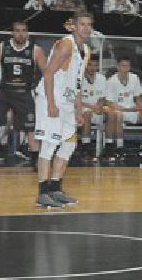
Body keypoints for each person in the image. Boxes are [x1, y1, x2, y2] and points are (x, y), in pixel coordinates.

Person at [32, 12, 95, 208]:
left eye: (89, 25)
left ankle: (56, 188)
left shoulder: (86, 50)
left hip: (67, 101)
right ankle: (43, 192)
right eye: (82, 24)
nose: (86, 28)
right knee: (50, 144)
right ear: (74, 27)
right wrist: (51, 103)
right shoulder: (65, 44)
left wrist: (78, 108)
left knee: (69, 144)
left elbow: (76, 81)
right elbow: (49, 72)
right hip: (52, 98)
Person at [0, 21, 47, 172]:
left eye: (23, 31)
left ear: (28, 33)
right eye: (17, 31)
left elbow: (47, 73)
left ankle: (35, 161)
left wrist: (42, 92)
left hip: (24, 93)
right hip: (4, 92)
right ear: (12, 33)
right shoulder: (1, 47)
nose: (20, 34)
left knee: (31, 128)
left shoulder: (36, 50)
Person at [103, 57, 142, 162]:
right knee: (118, 115)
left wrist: (141, 105)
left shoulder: (134, 78)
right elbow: (108, 102)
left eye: (127, 66)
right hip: (119, 110)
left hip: (132, 110)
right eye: (123, 66)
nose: (126, 68)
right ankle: (119, 147)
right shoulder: (111, 81)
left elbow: (137, 97)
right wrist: (123, 109)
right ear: (118, 67)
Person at [78, 57, 107, 161]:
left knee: (112, 113)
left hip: (97, 109)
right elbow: (76, 99)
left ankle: (109, 148)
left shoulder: (102, 78)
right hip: (80, 110)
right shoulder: (78, 78)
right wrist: (92, 107)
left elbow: (103, 97)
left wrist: (99, 106)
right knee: (87, 113)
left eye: (95, 65)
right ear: (85, 65)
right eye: (90, 65)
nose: (93, 67)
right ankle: (86, 147)